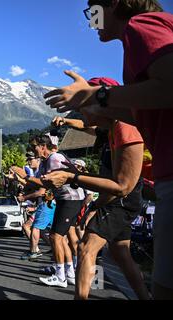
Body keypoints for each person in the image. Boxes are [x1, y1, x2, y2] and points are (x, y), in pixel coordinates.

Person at [44, 0, 173, 299]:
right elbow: (143, 110)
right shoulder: (114, 127)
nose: (91, 20)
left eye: (94, 9)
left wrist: (99, 95)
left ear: (114, 4)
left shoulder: (143, 25)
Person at [42, 92, 151, 299]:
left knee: (86, 247)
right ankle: (145, 297)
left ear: (103, 106)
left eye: (85, 108)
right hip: (118, 197)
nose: (83, 115)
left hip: (119, 199)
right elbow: (84, 126)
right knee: (121, 254)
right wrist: (66, 121)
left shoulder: (123, 128)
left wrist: (72, 178)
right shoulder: (109, 129)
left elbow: (121, 186)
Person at [33, 135, 85, 288]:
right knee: (61, 238)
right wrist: (24, 179)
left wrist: (26, 177)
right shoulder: (45, 162)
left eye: (34, 146)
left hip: (71, 199)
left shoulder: (55, 158)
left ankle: (60, 276)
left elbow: (46, 184)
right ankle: (69, 274)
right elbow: (40, 184)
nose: (32, 149)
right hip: (65, 200)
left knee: (55, 237)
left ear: (43, 146)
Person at [21, 190, 56, 261]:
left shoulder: (43, 180)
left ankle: (34, 251)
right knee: (55, 232)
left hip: (47, 206)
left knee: (35, 228)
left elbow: (41, 191)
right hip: (46, 205)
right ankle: (55, 252)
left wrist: (24, 197)